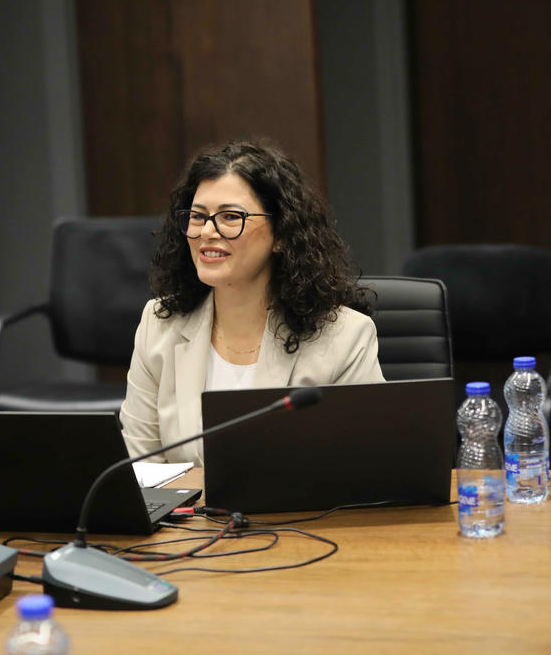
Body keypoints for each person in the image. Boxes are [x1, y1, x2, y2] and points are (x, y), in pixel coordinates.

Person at [120, 141, 384, 464]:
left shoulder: (345, 337)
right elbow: (139, 465)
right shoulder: (159, 325)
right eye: (198, 217)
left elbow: (364, 466)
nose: (207, 232)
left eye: (231, 217)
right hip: (184, 501)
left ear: (281, 234)